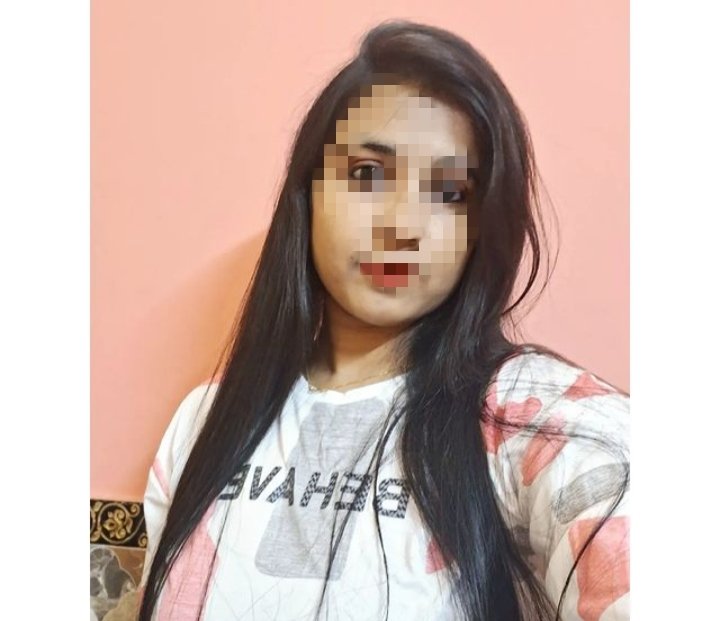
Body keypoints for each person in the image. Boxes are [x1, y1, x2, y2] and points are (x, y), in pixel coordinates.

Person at [136, 21, 629, 621]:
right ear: (309, 191)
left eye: (450, 193)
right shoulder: (203, 421)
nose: (402, 225)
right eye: (368, 174)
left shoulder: (528, 414)